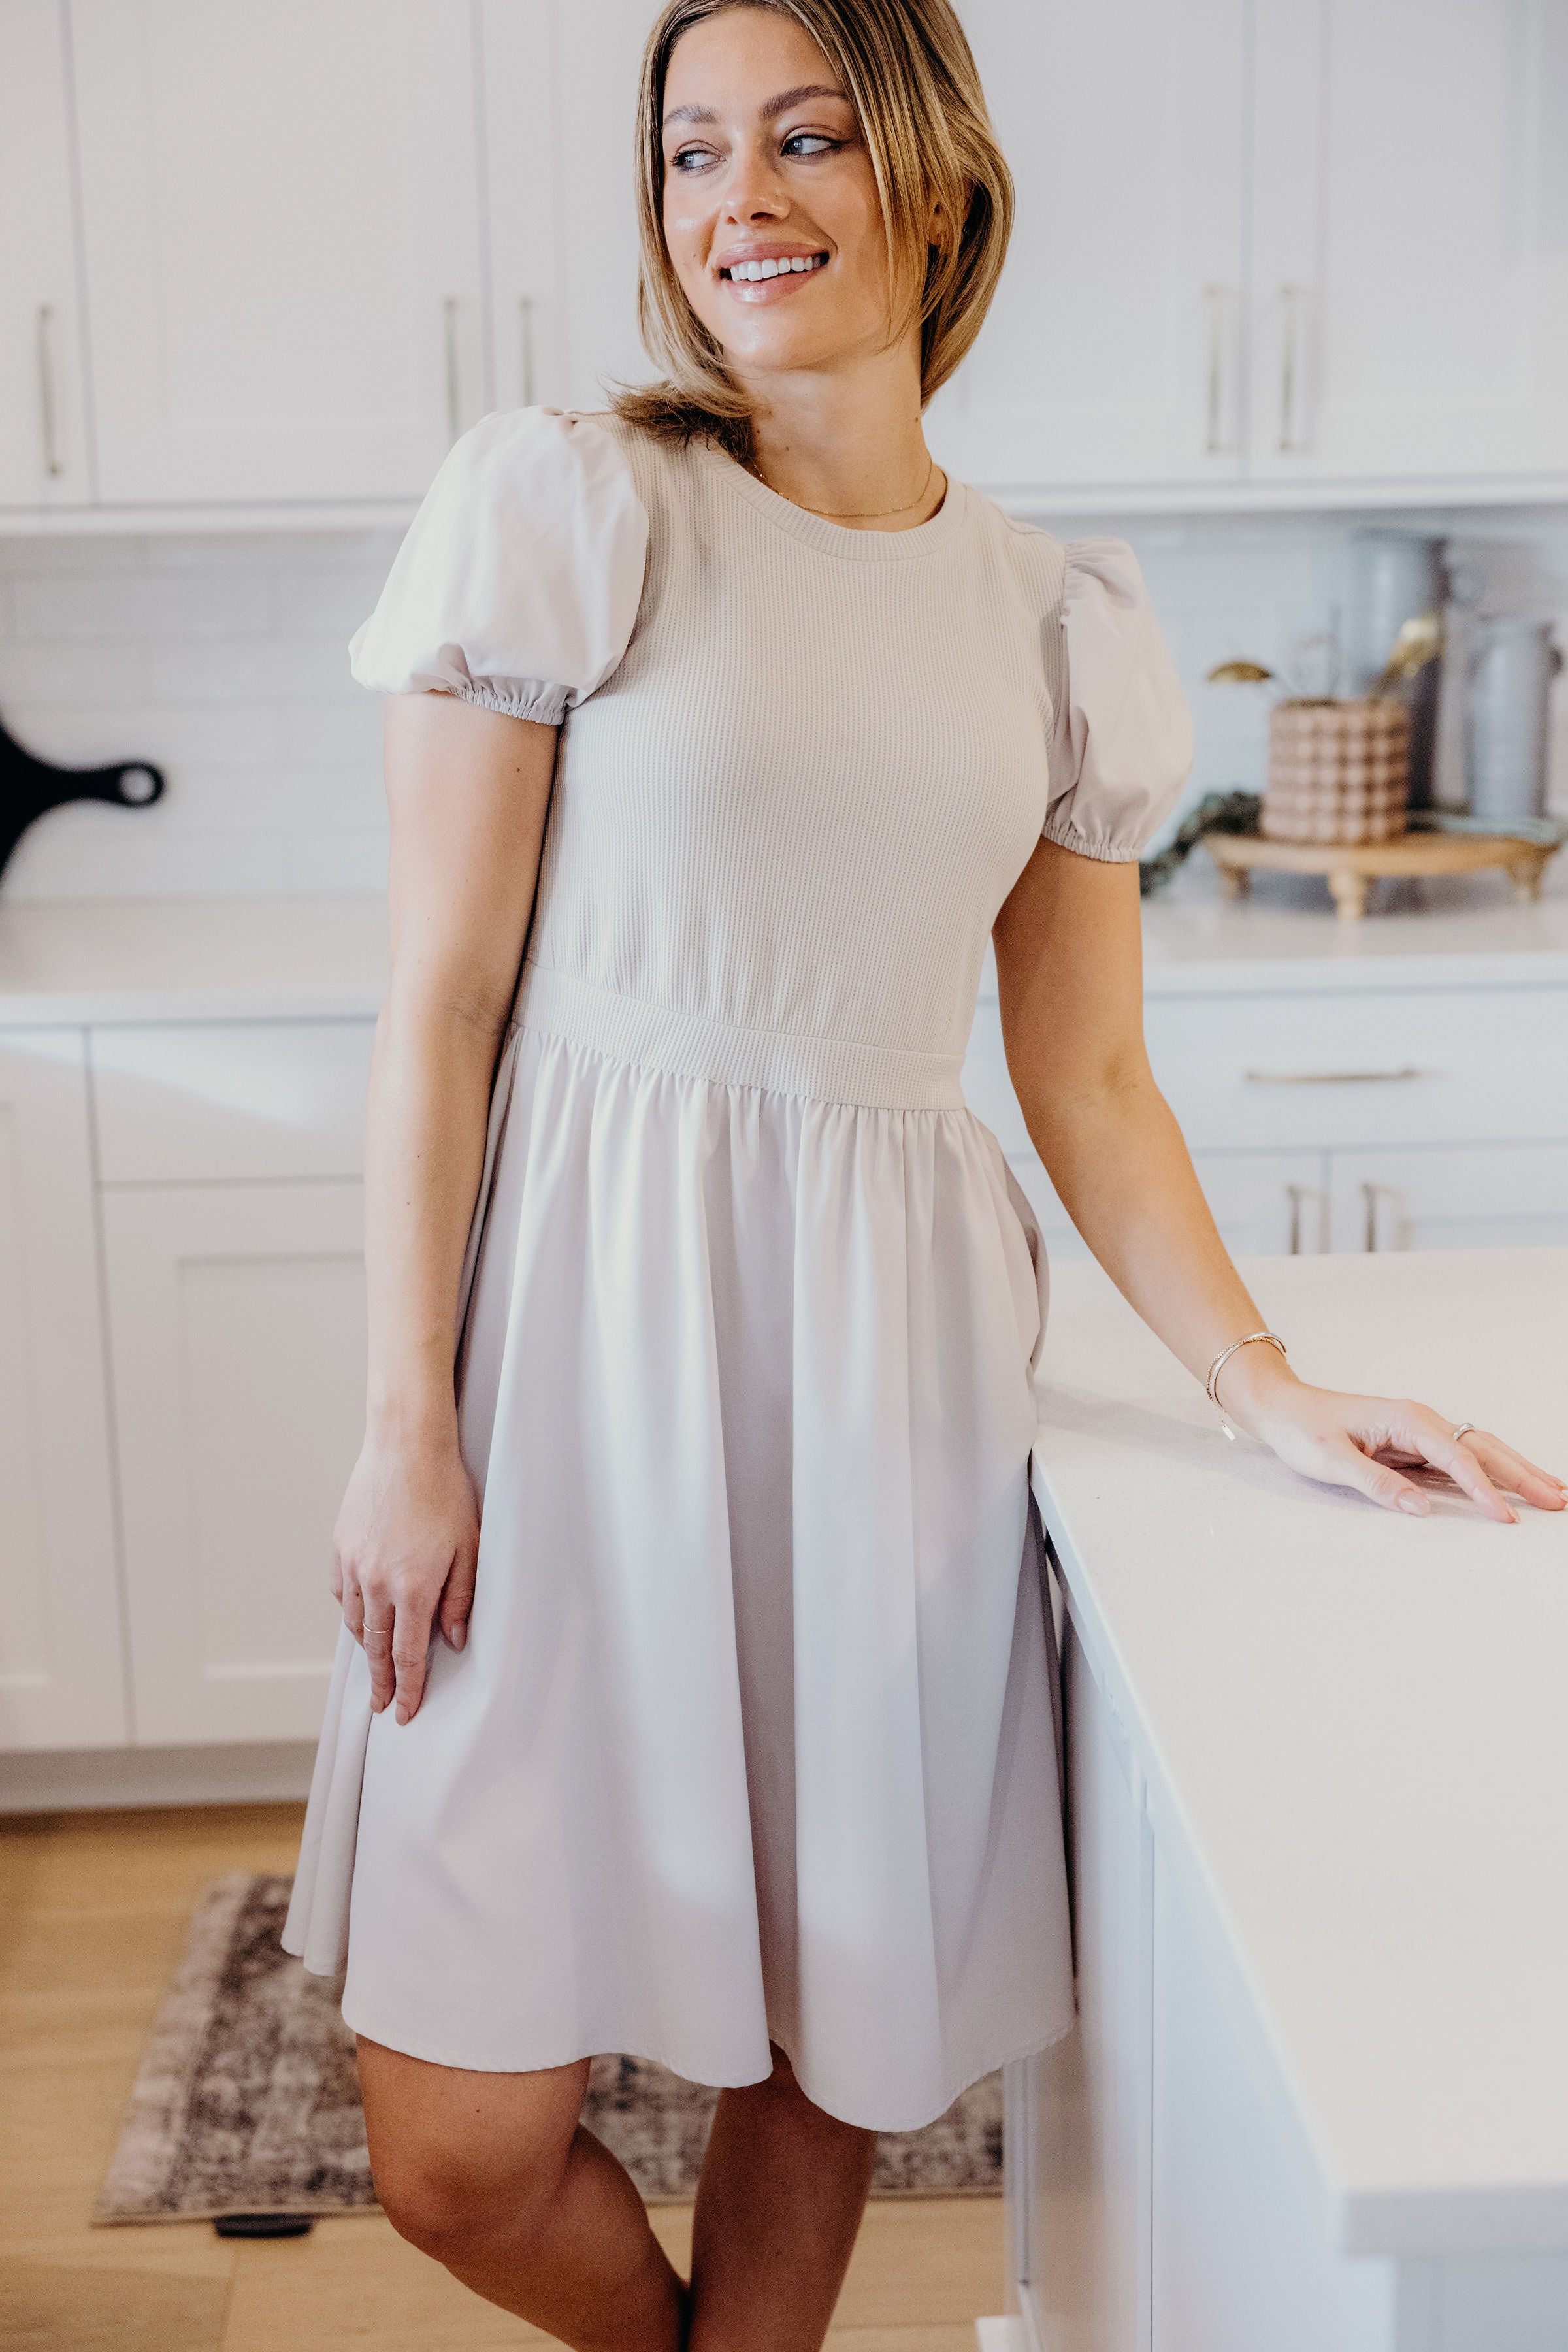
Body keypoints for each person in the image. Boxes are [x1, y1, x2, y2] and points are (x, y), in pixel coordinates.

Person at [283, 3, 1567, 2345]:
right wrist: (406, 1422)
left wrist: (1264, 1381)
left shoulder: (1059, 621)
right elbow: (442, 1006)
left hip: (893, 1359)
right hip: (563, 1354)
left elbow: (1084, 1075)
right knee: (454, 2151)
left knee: (829, 2019)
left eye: (801, 138)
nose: (735, 199)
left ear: (938, 181)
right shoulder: (574, 502)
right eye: (689, 152)